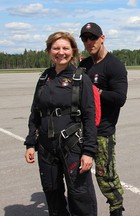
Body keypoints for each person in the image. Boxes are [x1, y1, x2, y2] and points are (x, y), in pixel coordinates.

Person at [24, 31, 98, 216]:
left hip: (72, 146)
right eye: (56, 48)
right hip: (46, 147)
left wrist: (88, 151)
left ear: (72, 51)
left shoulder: (81, 79)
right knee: (52, 193)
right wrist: (30, 143)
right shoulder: (44, 79)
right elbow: (35, 112)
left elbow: (90, 117)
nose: (61, 52)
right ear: (49, 51)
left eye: (65, 48)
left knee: (80, 195)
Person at [79, 22, 128, 216]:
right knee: (80, 174)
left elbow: (120, 98)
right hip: (82, 130)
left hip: (103, 132)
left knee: (105, 177)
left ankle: (116, 209)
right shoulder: (84, 65)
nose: (89, 42)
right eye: (85, 38)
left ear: (102, 38)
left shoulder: (114, 65)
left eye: (93, 37)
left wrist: (96, 91)